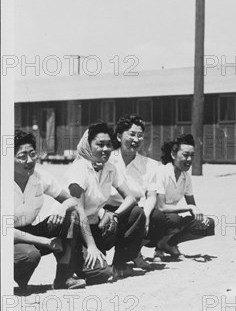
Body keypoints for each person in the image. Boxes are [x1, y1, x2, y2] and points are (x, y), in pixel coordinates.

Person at [67, 122, 144, 282]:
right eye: (100, 144)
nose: (105, 149)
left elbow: (130, 197)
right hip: (74, 230)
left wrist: (115, 215)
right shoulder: (80, 168)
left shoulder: (110, 168)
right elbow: (78, 210)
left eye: (109, 145)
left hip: (95, 226)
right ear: (88, 145)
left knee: (136, 213)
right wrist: (92, 246)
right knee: (101, 274)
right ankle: (83, 264)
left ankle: (119, 264)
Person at [13, 130, 87, 292]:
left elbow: (71, 200)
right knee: (30, 255)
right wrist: (45, 241)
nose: (30, 160)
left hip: (29, 231)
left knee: (70, 214)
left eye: (32, 154)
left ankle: (64, 277)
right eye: (22, 156)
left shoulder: (40, 177)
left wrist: (62, 207)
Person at [145, 134, 215, 260]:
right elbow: (161, 207)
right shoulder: (161, 172)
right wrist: (190, 207)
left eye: (192, 155)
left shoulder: (186, 177)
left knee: (208, 224)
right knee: (174, 219)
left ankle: (170, 244)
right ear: (173, 154)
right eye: (185, 155)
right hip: (152, 224)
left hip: (171, 221)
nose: (189, 159)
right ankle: (159, 248)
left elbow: (191, 204)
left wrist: (200, 215)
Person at [107, 115, 159, 270]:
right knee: (135, 213)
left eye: (140, 135)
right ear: (118, 136)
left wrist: (147, 215)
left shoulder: (150, 164)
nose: (136, 139)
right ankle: (125, 258)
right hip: (109, 209)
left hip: (137, 211)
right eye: (131, 134)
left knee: (158, 218)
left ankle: (129, 256)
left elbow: (151, 195)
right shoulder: (107, 160)